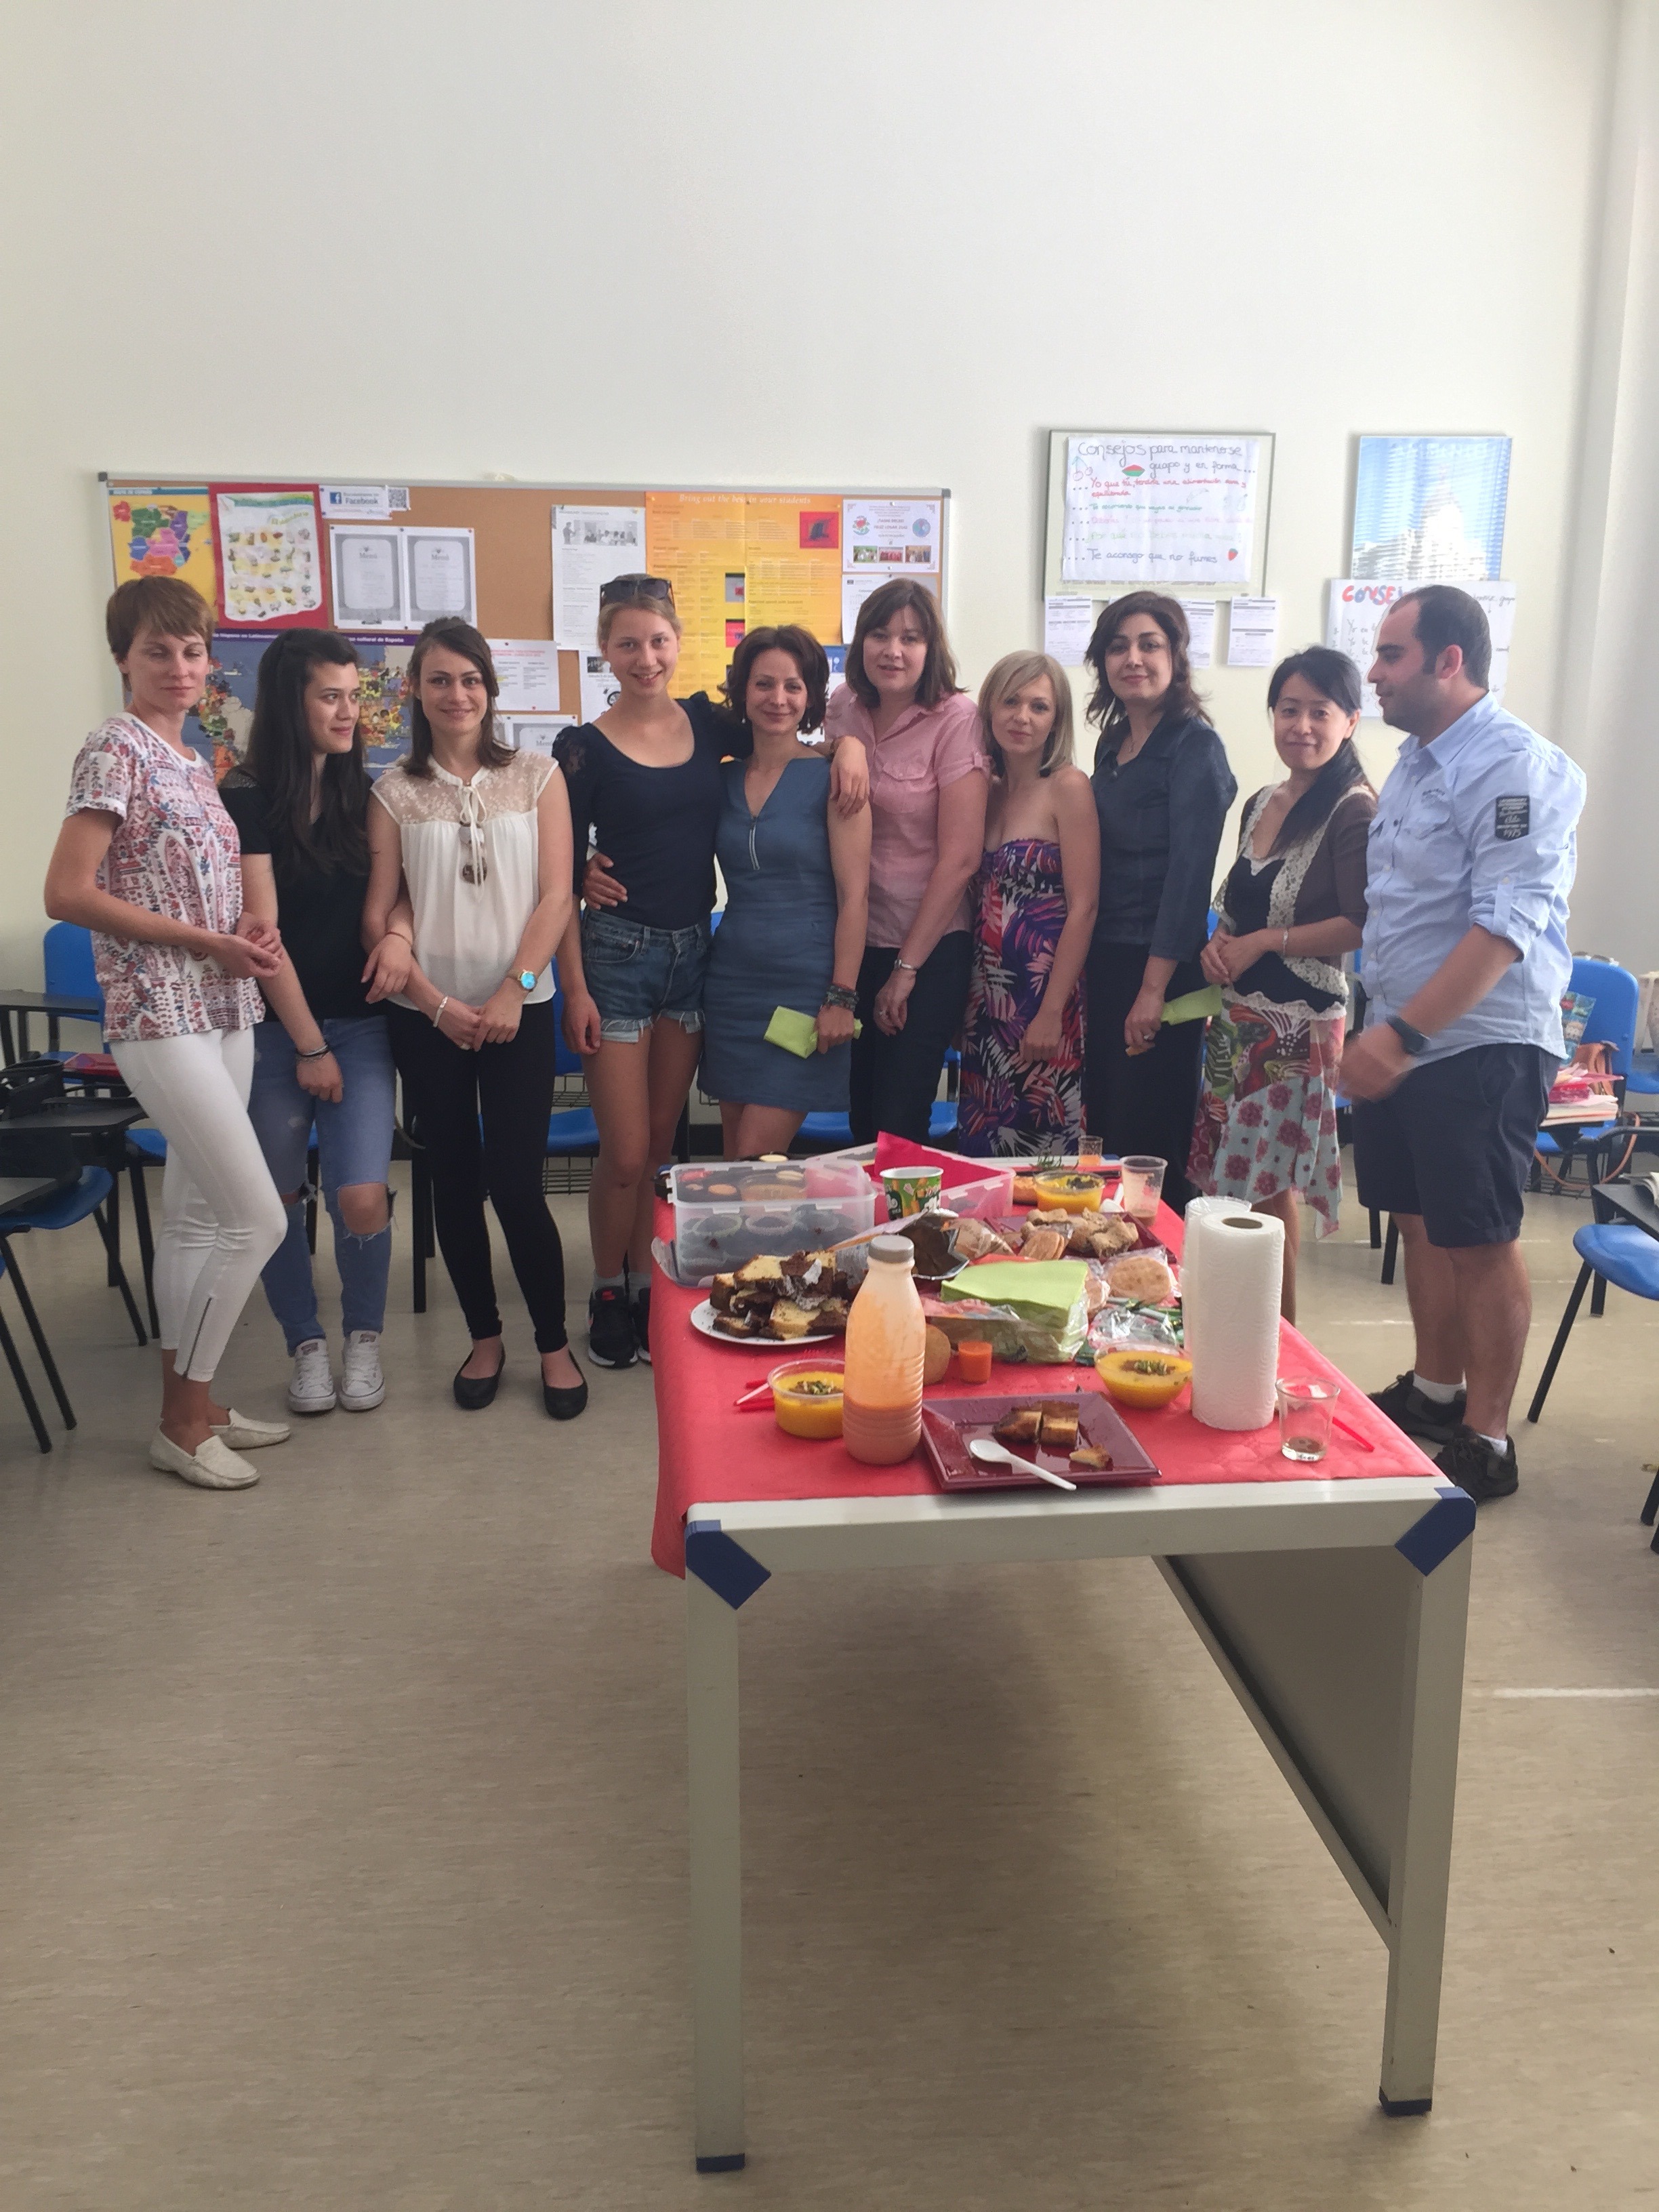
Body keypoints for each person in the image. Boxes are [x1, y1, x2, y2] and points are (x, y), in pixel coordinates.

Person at [556, 577, 867, 1370]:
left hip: (744, 971)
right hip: (667, 969)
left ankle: (712, 1297)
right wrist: (581, 874)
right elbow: (558, 863)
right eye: (628, 643)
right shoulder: (605, 750)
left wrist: (851, 744)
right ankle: (621, 1289)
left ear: (677, 644)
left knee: (715, 1160)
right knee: (641, 1153)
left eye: (658, 641)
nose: (645, 657)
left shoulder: (720, 732)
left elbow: (854, 883)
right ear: (605, 650)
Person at [43, 577, 289, 1490]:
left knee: (194, 1219)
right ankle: (183, 1425)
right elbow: (67, 892)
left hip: (222, 1004)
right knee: (257, 1218)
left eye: (192, 652)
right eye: (158, 651)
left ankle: (195, 1407)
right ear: (123, 659)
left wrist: (244, 933)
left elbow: (193, 884)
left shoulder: (193, 757)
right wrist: (202, 940)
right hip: (158, 1009)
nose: (180, 668)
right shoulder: (115, 747)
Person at [1341, 586, 1586, 1502]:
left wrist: (1404, 1035)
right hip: (1400, 1030)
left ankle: (1488, 1438)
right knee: (1420, 1221)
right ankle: (1437, 1392)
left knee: (1480, 1239)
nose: (1374, 672)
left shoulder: (1513, 766)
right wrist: (1384, 1026)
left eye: (1391, 654)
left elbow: (1504, 926)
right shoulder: (1415, 761)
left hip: (1473, 1042)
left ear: (1450, 661)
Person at [365, 619, 587, 1420]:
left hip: (518, 1012)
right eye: (439, 680)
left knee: (518, 1186)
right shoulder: (392, 791)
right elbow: (383, 911)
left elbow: (557, 896)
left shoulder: (538, 776)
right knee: (454, 1184)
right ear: (416, 692)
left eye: (470, 680)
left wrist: (513, 990)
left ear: (489, 690)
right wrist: (435, 1003)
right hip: (426, 1018)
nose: (456, 694)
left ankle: (553, 1344)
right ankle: (484, 1338)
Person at [222, 630, 405, 1418]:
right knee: (279, 1200)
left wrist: (398, 937)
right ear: (287, 705)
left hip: (361, 1027)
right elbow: (262, 936)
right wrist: (308, 1045)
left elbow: (404, 894)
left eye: (353, 696)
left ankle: (363, 1338)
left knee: (361, 1197)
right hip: (274, 1030)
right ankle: (304, 1343)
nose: (348, 712)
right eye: (330, 697)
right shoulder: (245, 794)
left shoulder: (371, 792)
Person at [1189, 647, 1376, 1319]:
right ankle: (1227, 1326)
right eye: (1289, 710)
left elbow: (1359, 922)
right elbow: (1239, 906)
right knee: (1227, 1182)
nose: (1302, 726)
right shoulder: (1263, 801)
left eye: (1319, 712)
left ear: (1350, 722)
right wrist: (1219, 944)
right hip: (1237, 1019)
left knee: (1269, 1190)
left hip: (1299, 1028)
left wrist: (1265, 941)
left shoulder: (1354, 809)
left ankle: (1279, 1342)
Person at [1082, 592, 1237, 1208]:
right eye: (1118, 647)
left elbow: (1188, 879)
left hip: (1162, 968)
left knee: (1152, 1139)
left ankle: (1163, 1259)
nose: (1133, 659)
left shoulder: (1194, 746)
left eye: (1150, 644)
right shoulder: (1113, 743)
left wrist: (1152, 989)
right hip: (1107, 957)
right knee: (1109, 1126)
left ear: (1176, 656)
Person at [824, 579, 989, 1143]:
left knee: (899, 1121)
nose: (893, 650)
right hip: (854, 940)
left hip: (929, 946)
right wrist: (843, 745)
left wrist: (906, 970)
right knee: (861, 1119)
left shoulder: (957, 718)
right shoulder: (843, 706)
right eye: (879, 634)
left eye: (911, 638)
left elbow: (961, 859)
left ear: (930, 648)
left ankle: (906, 1208)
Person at [699, 626, 872, 1158]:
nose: (778, 699)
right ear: (742, 691)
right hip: (731, 987)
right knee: (735, 1163)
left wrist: (841, 996)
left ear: (811, 696)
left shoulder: (836, 778)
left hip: (806, 985)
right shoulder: (722, 780)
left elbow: (856, 897)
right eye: (764, 684)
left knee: (753, 1158)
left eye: (793, 686)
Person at [957, 651, 1099, 1155]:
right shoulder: (985, 790)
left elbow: (1084, 907)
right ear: (990, 707)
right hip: (984, 999)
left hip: (1043, 996)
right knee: (982, 1150)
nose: (1022, 717)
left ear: (1056, 720)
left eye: (1039, 706)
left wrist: (1051, 1012)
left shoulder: (1068, 786)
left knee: (1044, 1158)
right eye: (1011, 701)